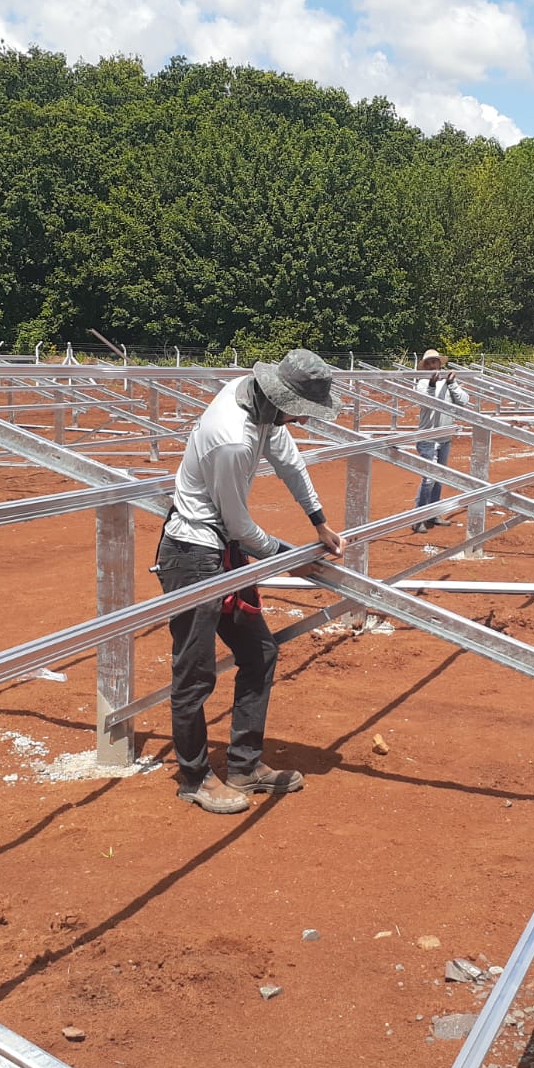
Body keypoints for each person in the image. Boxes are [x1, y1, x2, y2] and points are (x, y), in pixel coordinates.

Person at [156, 348, 347, 815]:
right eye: (301, 411)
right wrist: (289, 558)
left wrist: (318, 521)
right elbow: (239, 524)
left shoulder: (259, 403)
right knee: (194, 672)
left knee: (259, 653)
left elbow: (289, 461)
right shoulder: (233, 437)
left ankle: (244, 764)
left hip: (222, 549)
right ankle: (195, 777)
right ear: (282, 398)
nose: (301, 421)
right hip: (194, 554)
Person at [410, 349, 469, 533]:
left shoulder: (449, 381)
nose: (432, 365)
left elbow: (464, 401)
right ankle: (418, 518)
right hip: (428, 437)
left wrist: (451, 384)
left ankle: (433, 513)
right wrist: (432, 386)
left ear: (440, 364)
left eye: (435, 362)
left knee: (439, 478)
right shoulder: (422, 382)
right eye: (429, 363)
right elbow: (424, 401)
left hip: (444, 436)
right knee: (428, 478)